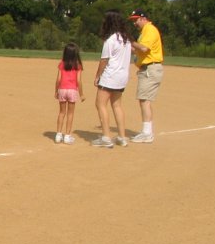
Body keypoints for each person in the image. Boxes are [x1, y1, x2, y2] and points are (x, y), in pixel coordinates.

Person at [92, 11, 133, 148]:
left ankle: (106, 137)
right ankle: (122, 137)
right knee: (117, 105)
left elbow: (104, 61)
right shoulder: (126, 39)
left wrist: (97, 76)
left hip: (110, 76)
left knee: (100, 104)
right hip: (122, 76)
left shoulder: (110, 40)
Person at [128, 9, 163, 143]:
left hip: (150, 68)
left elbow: (143, 48)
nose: (135, 23)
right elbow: (138, 49)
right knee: (144, 100)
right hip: (146, 68)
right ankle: (146, 131)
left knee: (144, 100)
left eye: (136, 20)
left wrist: (130, 40)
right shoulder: (144, 32)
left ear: (143, 18)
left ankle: (147, 133)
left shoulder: (149, 29)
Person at [54, 43, 85, 144]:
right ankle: (67, 136)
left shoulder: (62, 64)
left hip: (62, 89)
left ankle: (58, 135)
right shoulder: (78, 65)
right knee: (70, 114)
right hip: (72, 90)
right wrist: (81, 94)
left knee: (61, 113)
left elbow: (58, 79)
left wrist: (56, 91)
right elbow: (79, 81)